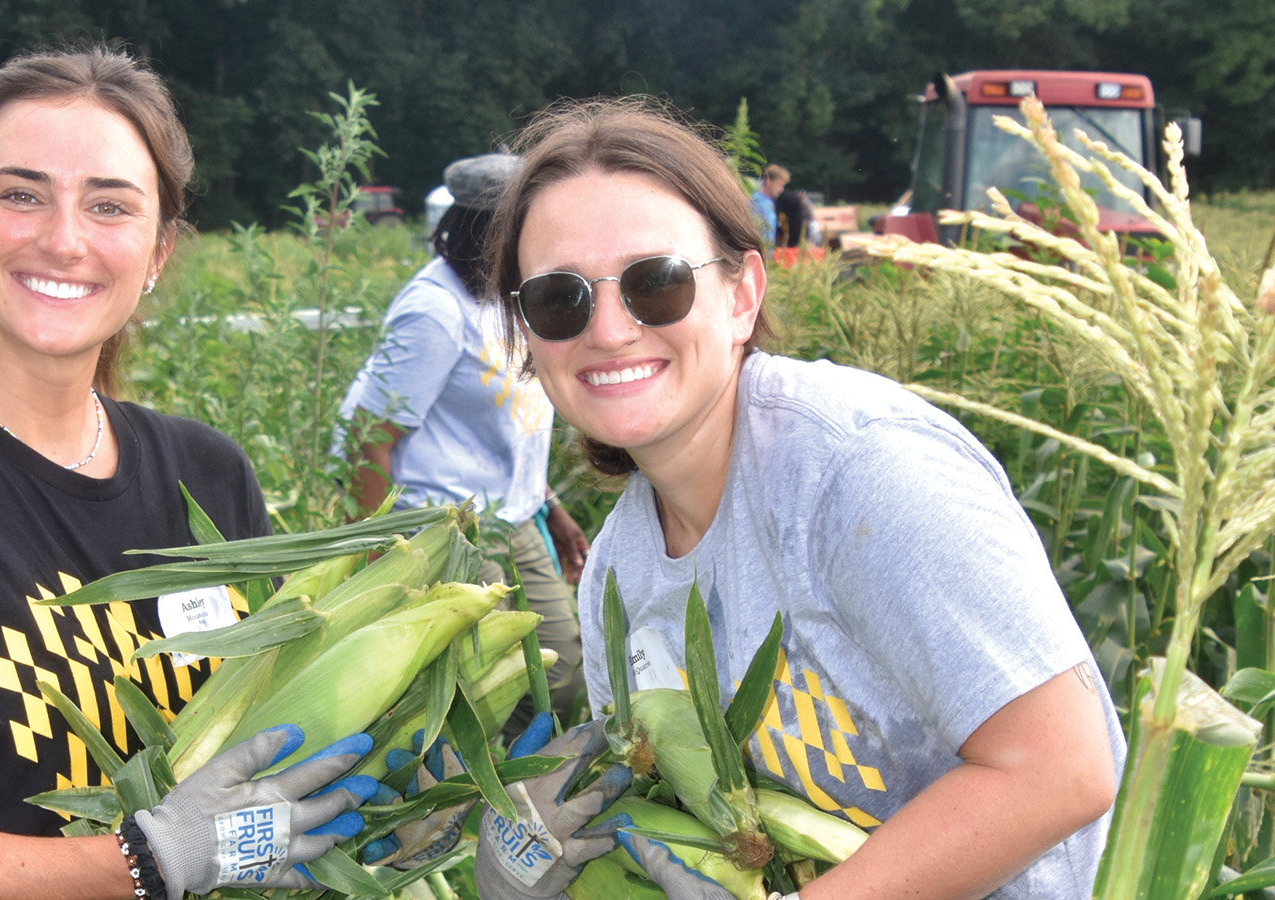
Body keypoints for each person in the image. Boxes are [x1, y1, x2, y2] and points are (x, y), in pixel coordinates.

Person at [474, 97, 1123, 900]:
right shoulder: (619, 573)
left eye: (657, 283)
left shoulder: (859, 474)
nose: (608, 330)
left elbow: (1062, 769)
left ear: (742, 294)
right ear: (526, 334)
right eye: (559, 299)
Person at [0, 47, 374, 900]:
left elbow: (282, 736)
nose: (64, 238)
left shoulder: (208, 475)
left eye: (110, 206)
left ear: (159, 250)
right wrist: (149, 860)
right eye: (20, 195)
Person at [337, 152, 589, 733]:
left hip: (515, 517)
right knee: (472, 693)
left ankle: (518, 788)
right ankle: (473, 804)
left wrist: (550, 507)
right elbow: (368, 438)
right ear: (488, 234)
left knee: (559, 674)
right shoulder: (435, 311)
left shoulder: (511, 298)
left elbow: (500, 424)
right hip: (447, 528)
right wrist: (372, 558)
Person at [751, 163, 791, 249]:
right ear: (768, 181)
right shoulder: (754, 201)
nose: (781, 189)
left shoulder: (769, 203)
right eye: (780, 185)